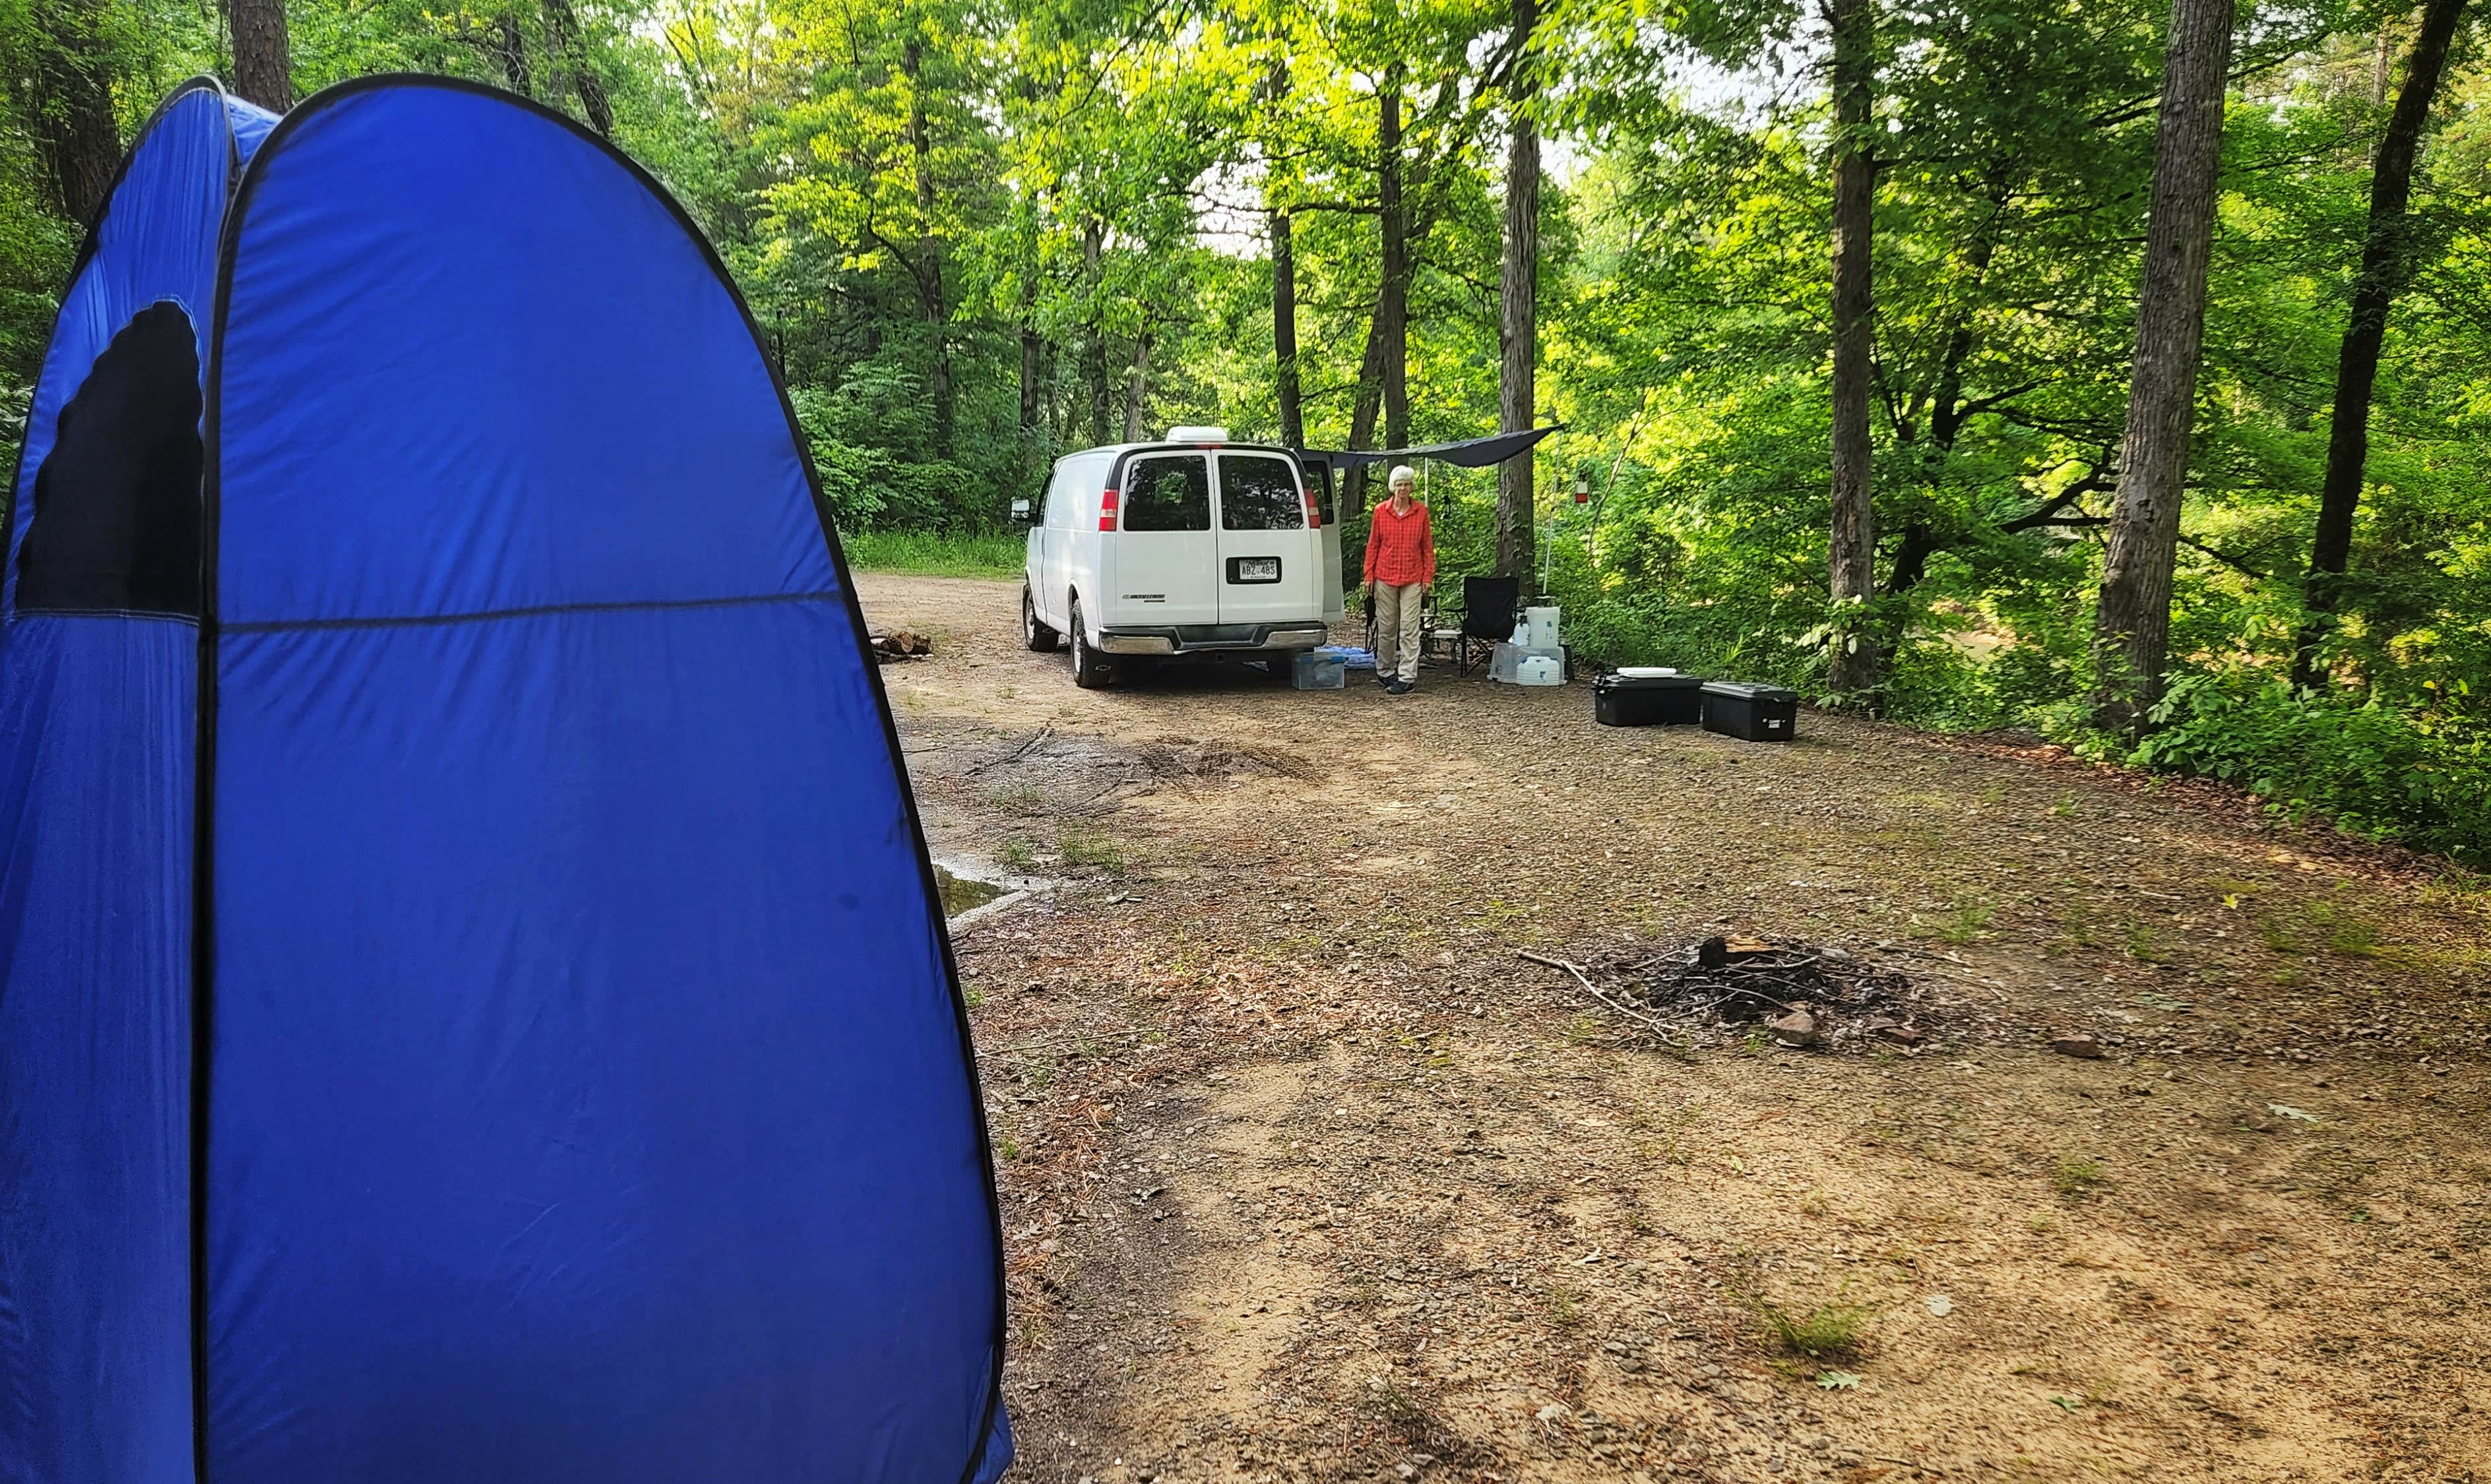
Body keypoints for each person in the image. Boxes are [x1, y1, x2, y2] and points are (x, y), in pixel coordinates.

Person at [1362, 464, 1434, 695]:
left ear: (1411, 487)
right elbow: (1373, 544)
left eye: (1407, 484)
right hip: (1385, 575)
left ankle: (1407, 677)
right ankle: (1385, 671)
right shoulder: (1381, 511)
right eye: (1399, 484)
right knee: (1387, 628)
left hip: (1413, 577)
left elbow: (1427, 548)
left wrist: (1428, 577)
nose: (1403, 488)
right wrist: (1369, 575)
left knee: (1409, 628)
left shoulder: (1421, 512)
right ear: (1393, 487)